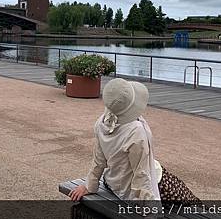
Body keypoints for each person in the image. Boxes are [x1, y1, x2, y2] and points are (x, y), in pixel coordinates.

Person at [69, 78, 200, 206]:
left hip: (112, 182)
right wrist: (148, 206)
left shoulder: (102, 122)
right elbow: (142, 172)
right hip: (136, 190)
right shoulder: (136, 131)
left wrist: (89, 185)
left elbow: (99, 160)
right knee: (191, 200)